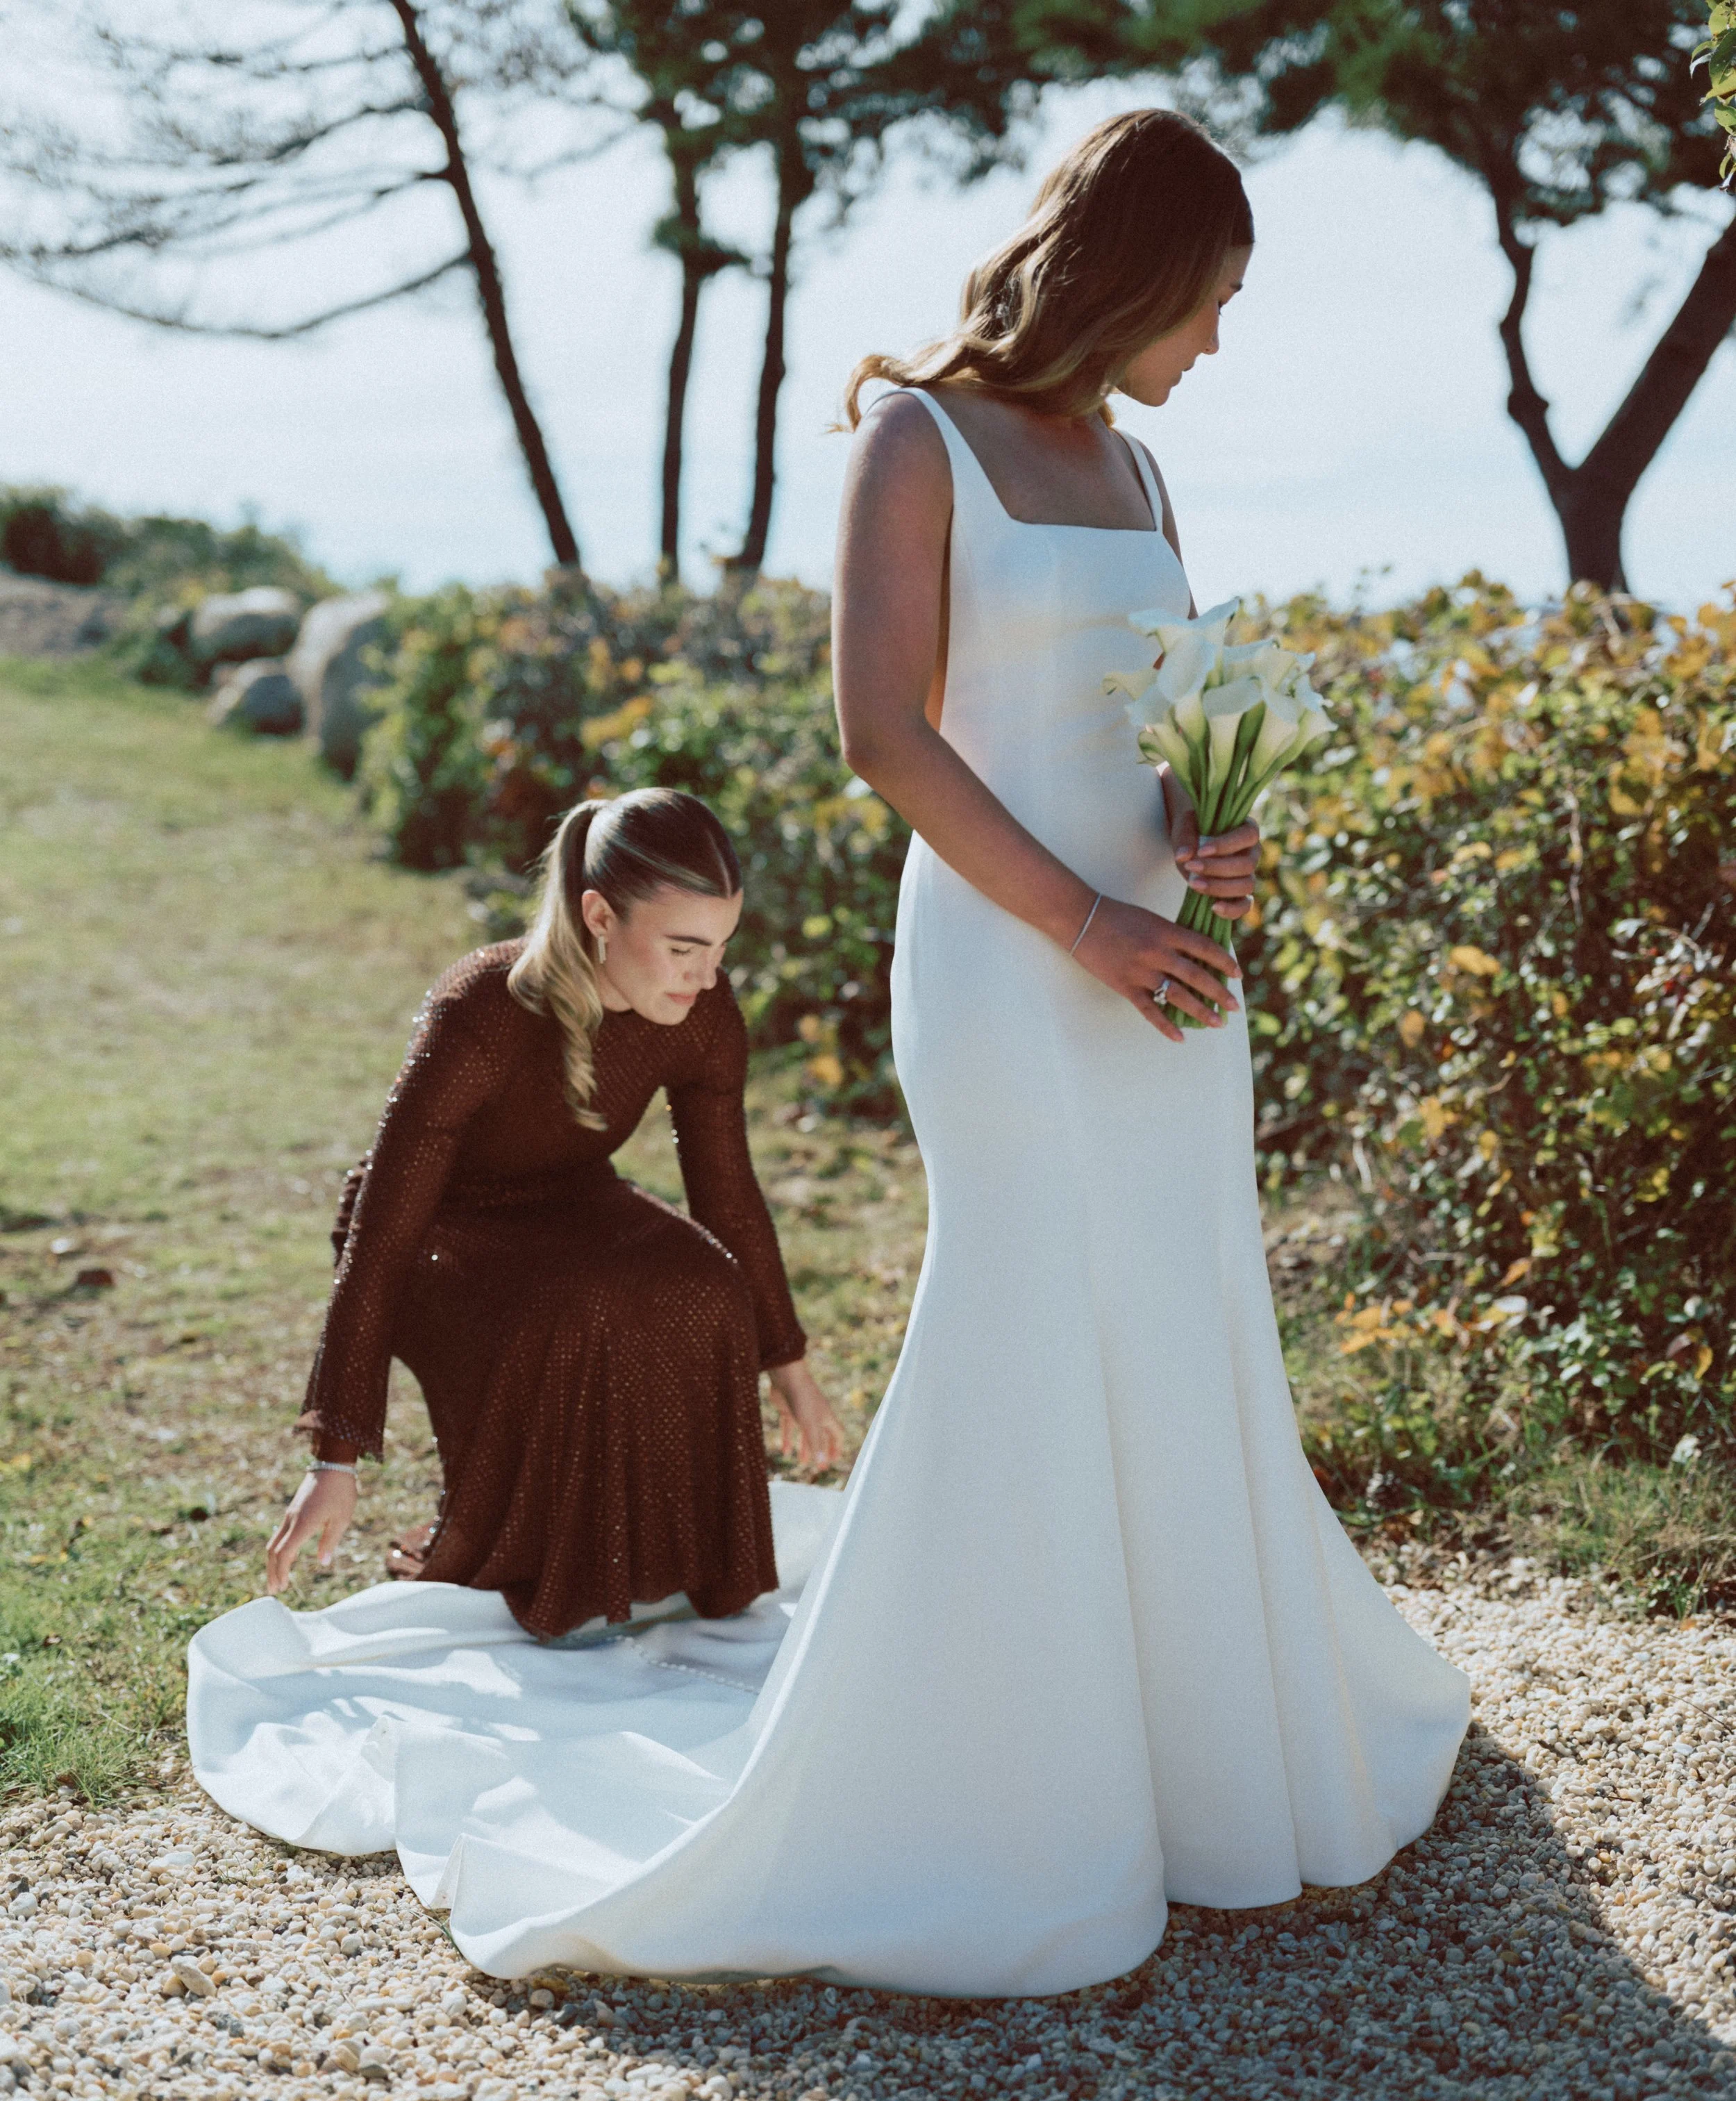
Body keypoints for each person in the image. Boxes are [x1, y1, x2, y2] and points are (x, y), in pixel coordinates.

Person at [191, 109, 1467, 1995]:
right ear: (1122, 273)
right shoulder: (916, 435)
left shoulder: (1141, 471)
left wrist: (1199, 847)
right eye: (1205, 302)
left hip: (1166, 976)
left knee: (1178, 1301)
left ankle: (1197, 1747)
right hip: (1016, 973)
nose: (1213, 346)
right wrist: (1085, 918)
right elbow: (889, 733)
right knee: (1032, 1300)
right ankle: (1001, 1764)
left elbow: (1138, 728)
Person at [262, 786, 843, 1636]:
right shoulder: (481, 1008)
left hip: (572, 1197)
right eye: (683, 948)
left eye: (720, 947)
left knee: (707, 1289)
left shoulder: (702, 1013)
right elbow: (384, 1230)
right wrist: (335, 1456)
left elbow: (728, 1193)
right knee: (575, 1314)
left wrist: (785, 1361)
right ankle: (506, 1544)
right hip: (437, 1224)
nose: (708, 976)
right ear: (600, 915)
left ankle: (668, 1556)